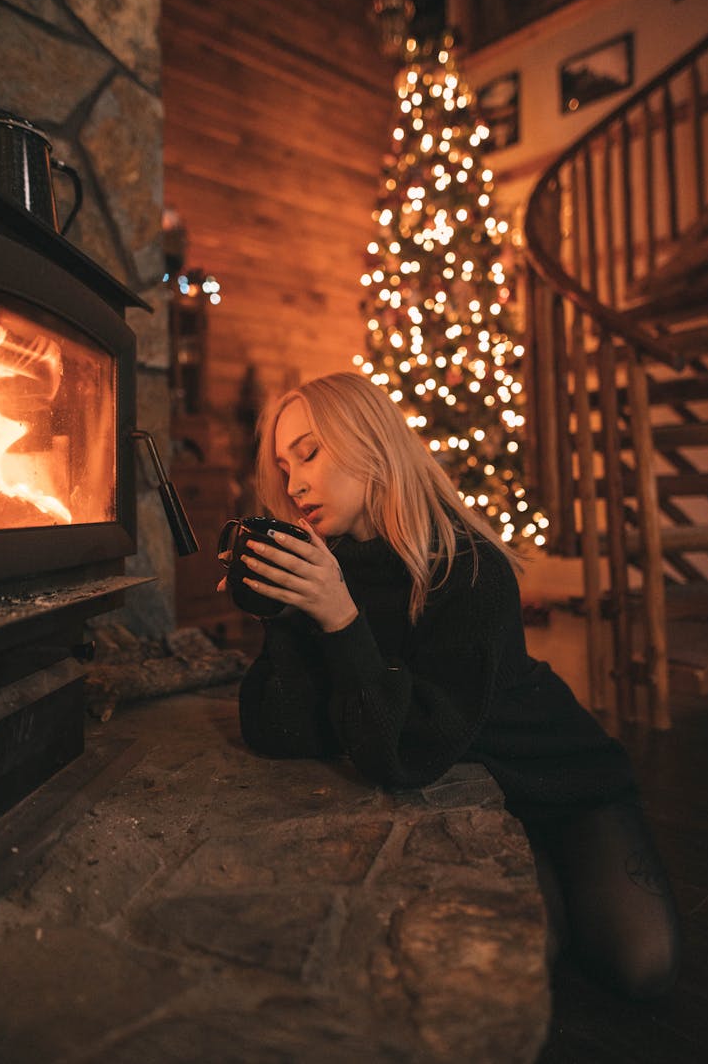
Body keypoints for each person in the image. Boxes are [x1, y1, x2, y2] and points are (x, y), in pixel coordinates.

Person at [219, 371, 680, 999]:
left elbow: (407, 747)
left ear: (372, 445)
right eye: (282, 464)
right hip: (468, 781)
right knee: (513, 963)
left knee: (639, 967)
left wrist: (340, 619)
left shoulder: (469, 569)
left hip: (552, 772)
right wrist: (285, 615)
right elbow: (276, 730)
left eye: (309, 453)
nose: (294, 481)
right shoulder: (325, 568)